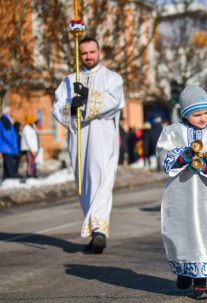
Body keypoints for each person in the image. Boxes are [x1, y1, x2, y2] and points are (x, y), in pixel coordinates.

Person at [156, 86, 207, 300]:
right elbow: (164, 155)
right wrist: (184, 155)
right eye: (196, 114)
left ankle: (200, 282)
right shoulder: (172, 132)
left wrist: (204, 160)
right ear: (185, 113)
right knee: (180, 231)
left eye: (206, 112)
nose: (203, 118)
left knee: (206, 233)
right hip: (180, 194)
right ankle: (183, 270)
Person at [53, 36, 124, 253]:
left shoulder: (112, 78)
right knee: (83, 183)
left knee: (102, 179)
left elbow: (114, 102)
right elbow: (57, 108)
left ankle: (100, 230)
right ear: (78, 55)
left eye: (92, 52)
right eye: (84, 53)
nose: (88, 56)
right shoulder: (68, 80)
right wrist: (71, 105)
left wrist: (90, 97)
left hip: (102, 138)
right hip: (80, 137)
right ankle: (95, 231)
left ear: (99, 51)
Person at [0, 106, 19, 180]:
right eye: (10, 111)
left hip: (6, 147)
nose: (10, 112)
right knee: (9, 164)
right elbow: (7, 134)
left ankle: (5, 179)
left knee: (6, 164)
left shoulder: (6, 120)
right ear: (7, 112)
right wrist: (13, 144)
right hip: (7, 147)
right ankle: (11, 178)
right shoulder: (5, 120)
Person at [21, 113, 40, 178]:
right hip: (29, 149)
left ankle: (32, 173)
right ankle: (29, 174)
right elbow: (28, 140)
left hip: (33, 148)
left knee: (33, 162)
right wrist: (32, 150)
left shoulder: (31, 127)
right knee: (30, 162)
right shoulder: (26, 128)